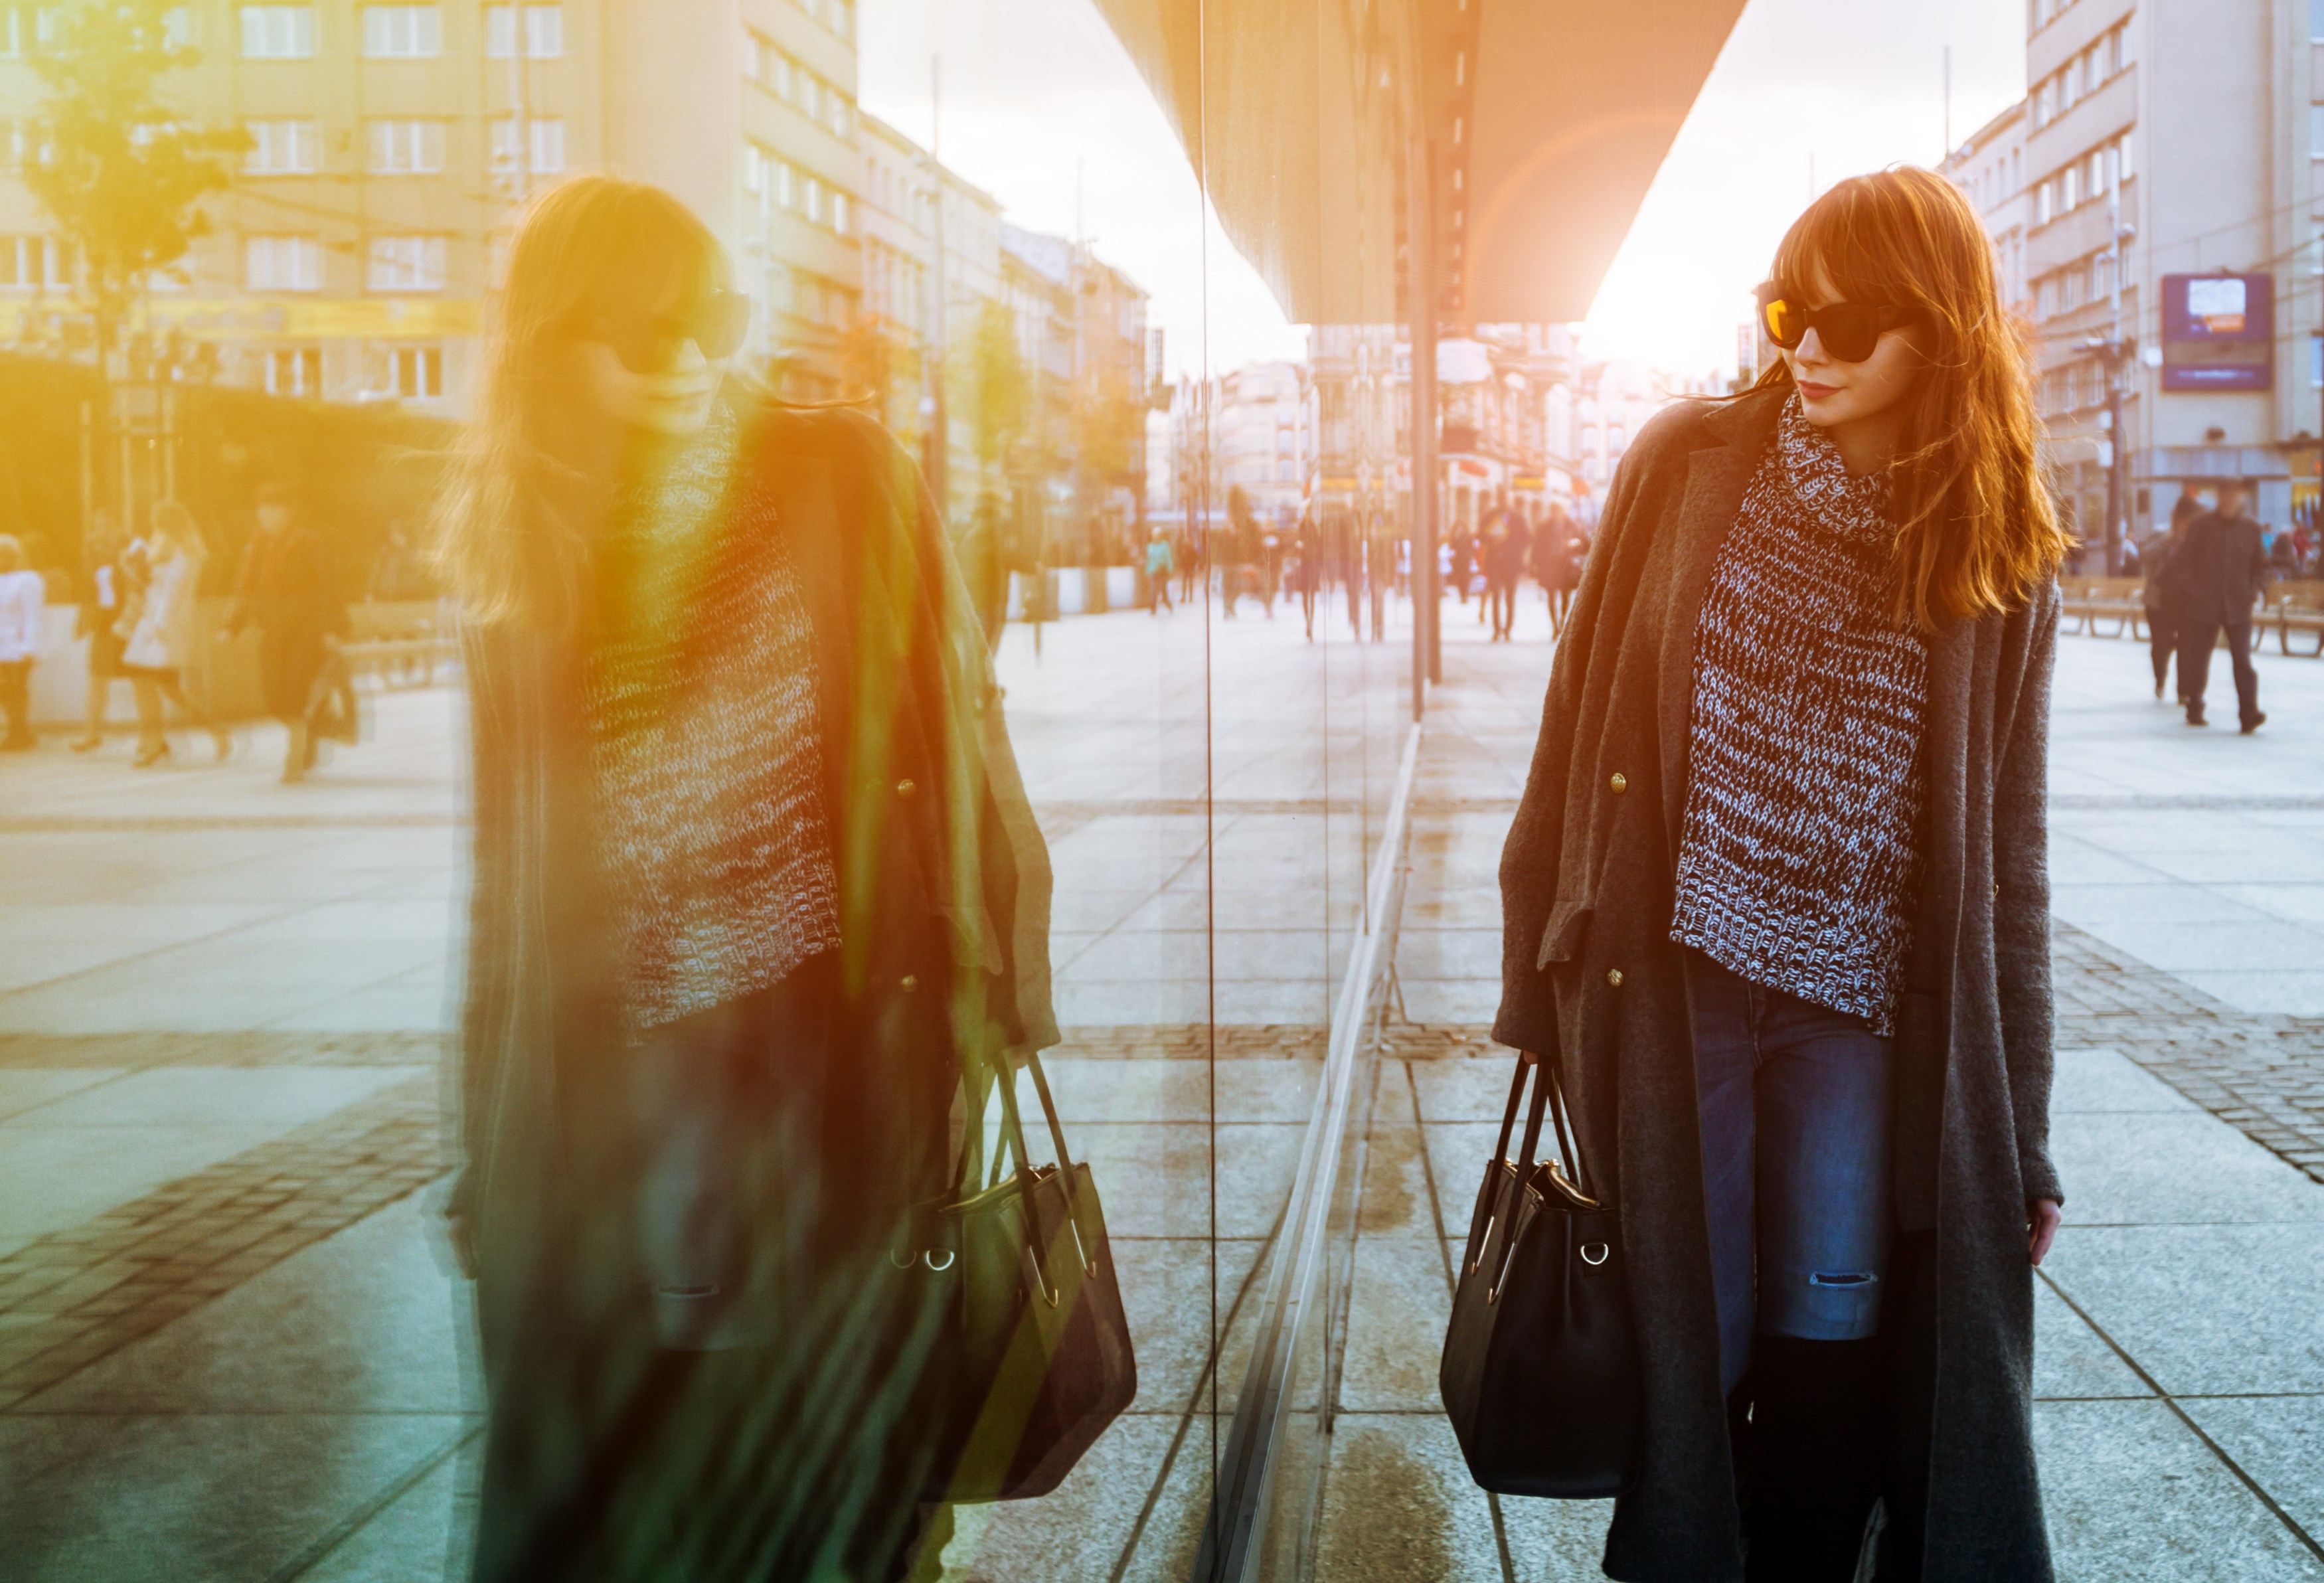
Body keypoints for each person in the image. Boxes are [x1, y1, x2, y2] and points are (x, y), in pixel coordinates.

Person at [435, 175, 1055, 1583]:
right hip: (610, 1106)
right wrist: (486, 1134)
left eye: (697, 326)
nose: (676, 363)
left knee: (837, 1475)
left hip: (829, 1068)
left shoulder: (835, 477)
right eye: (630, 334)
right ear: (547, 344)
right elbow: (506, 888)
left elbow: (958, 749)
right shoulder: (526, 538)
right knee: (641, 1478)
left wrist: (989, 1009)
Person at [1495, 169, 2069, 1582]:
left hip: (1859, 1014)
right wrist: (1538, 981)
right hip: (1675, 986)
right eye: (1784, 308)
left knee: (1829, 1343)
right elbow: (1572, 731)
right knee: (1695, 1339)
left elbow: (2010, 861)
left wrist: (2027, 1128)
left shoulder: (1994, 547)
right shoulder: (1684, 468)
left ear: (1938, 330)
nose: (1804, 345)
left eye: (1848, 318)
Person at [225, 481, 347, 782]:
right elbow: (246, 588)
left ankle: (294, 759)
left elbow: (327, 586)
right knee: (273, 696)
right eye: (262, 508)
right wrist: (231, 625)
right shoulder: (258, 546)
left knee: (294, 691)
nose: (265, 514)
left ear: (288, 512)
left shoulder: (309, 542)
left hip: (307, 629)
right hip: (274, 629)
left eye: (273, 508)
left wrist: (333, 627)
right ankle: (315, 723)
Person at [118, 501, 232, 767]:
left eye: (161, 523)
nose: (157, 529)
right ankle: (208, 732)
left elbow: (174, 591)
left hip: (164, 626)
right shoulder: (161, 544)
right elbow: (155, 585)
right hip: (152, 621)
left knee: (153, 684)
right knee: (166, 688)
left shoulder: (185, 552)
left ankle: (154, 743)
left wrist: (160, 625)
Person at [2175, 479, 2268, 732]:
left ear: (2241, 498)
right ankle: (2195, 705)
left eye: (2235, 495)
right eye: (2226, 495)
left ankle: (2248, 713)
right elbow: (2183, 564)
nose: (2230, 500)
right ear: (2219, 497)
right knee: (2199, 658)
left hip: (2238, 606)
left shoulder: (2252, 528)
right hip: (2205, 605)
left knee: (2243, 660)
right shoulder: (2202, 526)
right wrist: (2195, 591)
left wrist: (2253, 590)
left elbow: (2260, 567)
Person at [70, 512, 133, 752]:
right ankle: (90, 734)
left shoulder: (130, 551)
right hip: (104, 623)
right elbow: (88, 590)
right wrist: (81, 620)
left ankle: (153, 737)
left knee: (146, 680)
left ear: (118, 527)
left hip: (127, 620)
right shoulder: (94, 556)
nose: (101, 532)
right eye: (98, 527)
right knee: (97, 678)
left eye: (107, 526)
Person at [2142, 506, 2193, 705]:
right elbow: (2145, 555)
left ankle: (2184, 691)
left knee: (2186, 648)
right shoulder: (2161, 534)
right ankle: (2160, 680)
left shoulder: (2195, 540)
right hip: (2158, 603)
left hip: (2185, 603)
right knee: (2161, 645)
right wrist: (2167, 541)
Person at [0, 534, 43, 750]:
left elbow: (32, 615)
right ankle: (18, 731)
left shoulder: (28, 579)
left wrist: (29, 647)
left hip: (16, 647)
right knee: (4, 691)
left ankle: (20, 732)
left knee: (15, 690)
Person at [1482, 513, 1527, 641]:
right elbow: (1481, 535)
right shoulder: (1490, 516)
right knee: (1496, 596)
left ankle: (1508, 629)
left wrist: (1515, 548)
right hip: (1495, 564)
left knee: (1510, 598)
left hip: (1511, 565)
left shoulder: (1518, 519)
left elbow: (1527, 538)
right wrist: (1492, 539)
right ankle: (1497, 629)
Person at [1145, 523, 1175, 614]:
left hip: (1162, 570)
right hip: (1153, 571)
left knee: (1163, 590)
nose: (1155, 537)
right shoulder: (1150, 546)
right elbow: (1149, 559)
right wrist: (1147, 570)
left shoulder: (1164, 545)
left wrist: (1170, 570)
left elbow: (1168, 558)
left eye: (1157, 535)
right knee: (1153, 590)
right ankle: (1153, 608)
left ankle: (1168, 604)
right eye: (1154, 535)